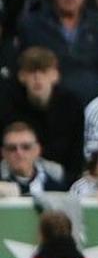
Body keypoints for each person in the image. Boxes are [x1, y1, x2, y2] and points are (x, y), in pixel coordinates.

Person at [0, 47, 86, 182]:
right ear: (22, 76)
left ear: (55, 75)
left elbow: (76, 154)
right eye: (31, 71)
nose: (37, 77)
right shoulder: (7, 104)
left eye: (44, 71)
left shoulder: (71, 105)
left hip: (60, 177)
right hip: (13, 174)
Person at [0, 122, 67, 197]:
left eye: (26, 147)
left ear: (37, 150)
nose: (19, 153)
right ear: (3, 153)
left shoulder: (56, 178)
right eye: (12, 148)